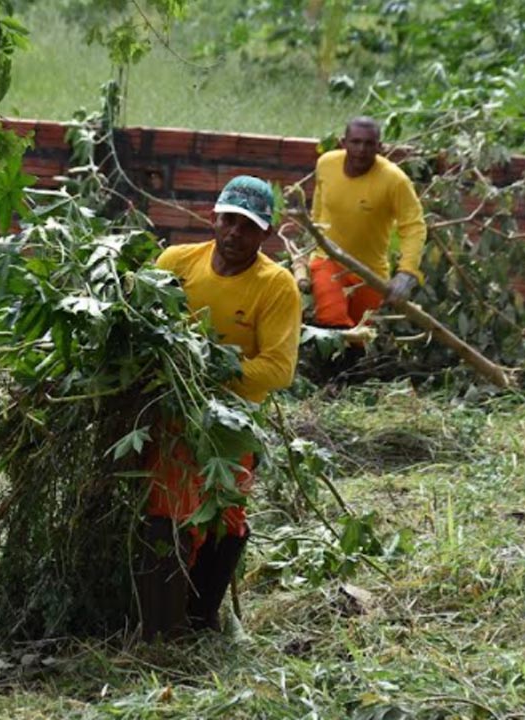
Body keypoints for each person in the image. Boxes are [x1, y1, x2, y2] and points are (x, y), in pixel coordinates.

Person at [137, 175, 302, 639]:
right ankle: (160, 624)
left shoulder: (277, 286)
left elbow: (278, 370)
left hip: (231, 423)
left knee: (223, 517)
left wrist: (206, 367)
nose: (234, 233)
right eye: (228, 220)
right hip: (169, 411)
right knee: (164, 510)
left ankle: (202, 620)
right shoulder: (174, 262)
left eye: (247, 226)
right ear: (214, 217)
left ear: (265, 233)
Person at [307, 116, 426, 329]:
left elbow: (413, 225)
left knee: (360, 339)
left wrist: (407, 273)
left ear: (380, 147)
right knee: (332, 321)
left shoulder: (394, 180)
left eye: (369, 144)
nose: (361, 149)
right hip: (328, 260)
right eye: (355, 142)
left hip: (370, 272)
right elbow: (318, 208)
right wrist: (312, 244)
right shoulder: (326, 164)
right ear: (344, 143)